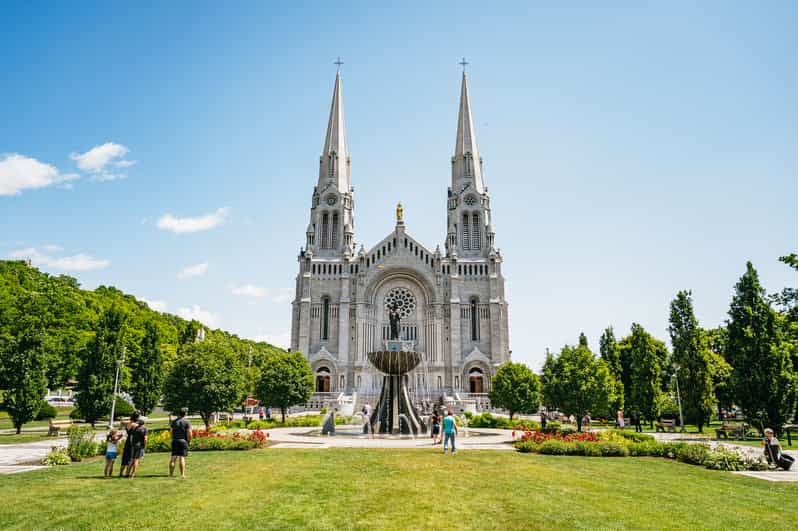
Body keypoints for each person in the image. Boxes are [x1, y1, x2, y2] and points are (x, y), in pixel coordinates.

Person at [169, 408, 192, 479]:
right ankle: (182, 474)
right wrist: (189, 441)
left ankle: (171, 474)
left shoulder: (174, 422)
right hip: (183, 441)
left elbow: (171, 432)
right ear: (185, 413)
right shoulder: (187, 422)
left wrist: (172, 438)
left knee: (173, 458)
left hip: (175, 440)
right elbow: (189, 433)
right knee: (181, 457)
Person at [118, 413, 139, 477]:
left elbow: (121, 422)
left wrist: (125, 418)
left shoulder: (128, 423)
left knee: (125, 458)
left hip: (127, 441)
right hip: (133, 441)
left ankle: (121, 473)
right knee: (131, 458)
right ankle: (127, 473)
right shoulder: (136, 425)